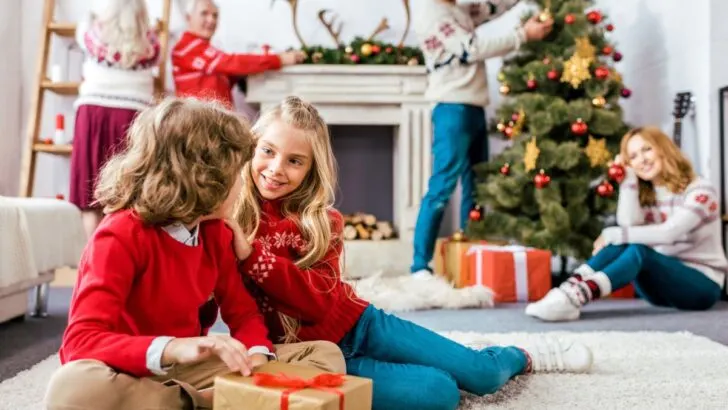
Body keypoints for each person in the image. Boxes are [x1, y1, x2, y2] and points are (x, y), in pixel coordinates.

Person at [225, 96, 594, 410]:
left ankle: (518, 354)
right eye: (268, 151)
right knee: (441, 391)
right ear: (252, 149)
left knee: (482, 375)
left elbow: (318, 304)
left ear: (311, 169)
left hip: (361, 325)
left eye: (295, 160)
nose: (275, 169)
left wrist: (254, 258)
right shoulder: (229, 218)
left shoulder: (325, 221)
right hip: (317, 359)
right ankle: (457, 356)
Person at [44, 98, 345, 410]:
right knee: (70, 387)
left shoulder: (216, 232)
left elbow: (242, 313)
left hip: (187, 370)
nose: (244, 183)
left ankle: (214, 400)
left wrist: (257, 354)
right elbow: (81, 342)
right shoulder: (119, 234)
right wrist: (172, 348)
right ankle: (216, 402)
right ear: (202, 179)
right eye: (235, 173)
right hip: (127, 370)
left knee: (324, 354)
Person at [409, 0, 553, 275]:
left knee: (477, 185)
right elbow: (470, 48)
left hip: (473, 106)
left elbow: (490, 7)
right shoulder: (432, 11)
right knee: (442, 186)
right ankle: (419, 266)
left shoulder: (458, 9)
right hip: (451, 106)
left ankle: (470, 258)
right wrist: (523, 35)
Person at [526, 126, 727, 322]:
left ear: (664, 148)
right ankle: (567, 291)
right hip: (658, 288)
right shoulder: (646, 193)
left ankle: (577, 296)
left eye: (647, 149)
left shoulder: (700, 190)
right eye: (633, 156)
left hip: (702, 286)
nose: (642, 160)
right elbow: (628, 223)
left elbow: (669, 233)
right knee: (624, 242)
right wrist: (628, 179)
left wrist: (612, 233)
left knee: (636, 247)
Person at [70, 0, 160, 239]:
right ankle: (122, 258)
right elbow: (156, 60)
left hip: (93, 113)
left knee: (90, 196)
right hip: (133, 115)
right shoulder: (151, 44)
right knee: (128, 195)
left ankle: (92, 259)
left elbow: (82, 33)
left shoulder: (90, 32)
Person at [171, 0, 306, 108]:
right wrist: (278, 59)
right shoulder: (187, 48)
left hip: (213, 122)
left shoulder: (206, 51)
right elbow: (232, 62)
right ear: (188, 17)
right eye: (204, 13)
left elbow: (230, 71)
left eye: (215, 15)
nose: (211, 20)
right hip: (199, 124)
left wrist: (266, 54)